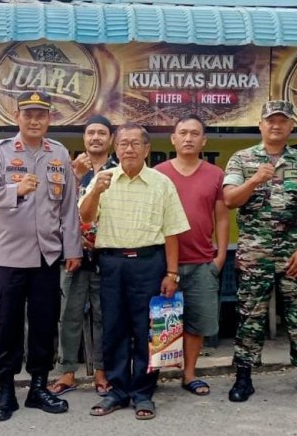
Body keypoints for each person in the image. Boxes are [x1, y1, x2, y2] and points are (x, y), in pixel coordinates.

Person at [0, 91, 82, 422]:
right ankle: (6, 390)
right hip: (9, 256)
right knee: (6, 325)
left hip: (48, 255)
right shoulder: (0, 152)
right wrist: (14, 191)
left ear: (50, 119)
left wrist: (73, 249)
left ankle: (38, 387)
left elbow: (68, 207)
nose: (35, 120)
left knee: (43, 324)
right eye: (28, 114)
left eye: (41, 114)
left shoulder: (59, 154)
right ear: (17, 117)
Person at [80, 123, 189, 420]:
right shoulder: (103, 179)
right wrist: (95, 193)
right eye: (123, 144)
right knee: (114, 327)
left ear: (146, 149)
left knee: (145, 331)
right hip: (112, 263)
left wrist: (172, 273)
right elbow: (86, 217)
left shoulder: (161, 183)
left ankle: (143, 393)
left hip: (149, 263)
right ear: (116, 149)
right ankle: (117, 391)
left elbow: (171, 232)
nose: (129, 149)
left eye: (135, 144)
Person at [223, 100, 297, 403]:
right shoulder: (241, 159)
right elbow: (229, 200)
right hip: (255, 255)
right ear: (261, 125)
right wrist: (255, 180)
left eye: (282, 121)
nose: (276, 125)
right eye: (270, 120)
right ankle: (244, 378)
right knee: (249, 317)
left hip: (294, 255)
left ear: (292, 126)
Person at [154, 114, 229, 396]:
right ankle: (155, 375)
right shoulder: (158, 173)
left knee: (196, 323)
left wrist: (220, 257)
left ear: (203, 140)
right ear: (173, 139)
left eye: (194, 133)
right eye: (182, 133)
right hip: (163, 263)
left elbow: (222, 218)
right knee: (161, 322)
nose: (188, 138)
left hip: (201, 262)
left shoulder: (215, 174)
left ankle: (189, 374)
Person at [50, 115, 116, 397]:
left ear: (111, 139)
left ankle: (102, 370)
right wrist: (74, 176)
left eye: (102, 133)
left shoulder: (121, 169)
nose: (96, 138)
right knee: (69, 315)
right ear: (84, 139)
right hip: (74, 256)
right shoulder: (70, 167)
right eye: (91, 133)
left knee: (105, 315)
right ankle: (67, 372)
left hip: (108, 255)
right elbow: (54, 207)